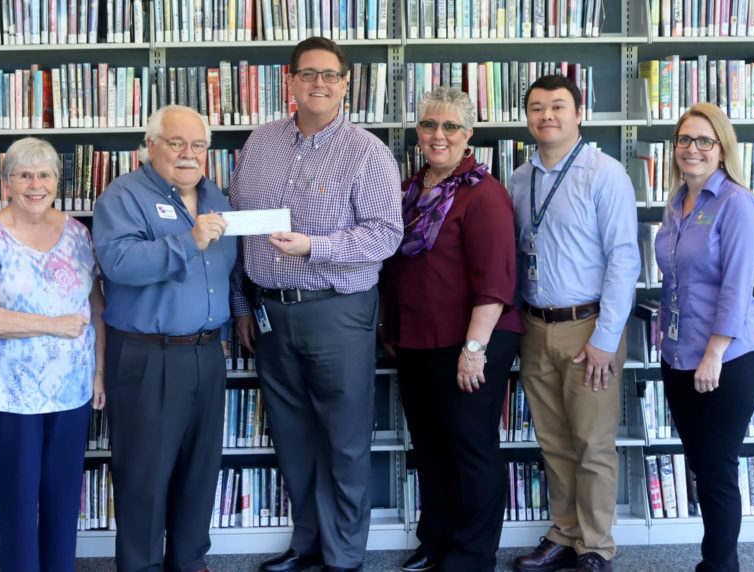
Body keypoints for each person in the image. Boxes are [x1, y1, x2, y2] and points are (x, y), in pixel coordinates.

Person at [230, 37, 403, 572]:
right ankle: (307, 546)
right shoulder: (259, 144)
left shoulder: (368, 151)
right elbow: (240, 232)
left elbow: (385, 236)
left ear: (346, 83)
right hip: (270, 313)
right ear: (290, 80)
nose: (319, 84)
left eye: (330, 75)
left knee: (344, 440)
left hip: (338, 310)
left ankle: (344, 556)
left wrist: (315, 246)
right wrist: (241, 303)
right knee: (292, 435)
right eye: (308, 74)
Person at [380, 86, 522, 572]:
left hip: (471, 341)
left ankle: (473, 553)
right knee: (431, 448)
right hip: (418, 339)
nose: (438, 135)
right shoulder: (410, 188)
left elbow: (497, 282)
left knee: (470, 447)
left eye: (450, 126)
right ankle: (436, 539)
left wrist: (474, 349)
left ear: (469, 134)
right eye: (429, 125)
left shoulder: (485, 195)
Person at [93, 104, 236, 572]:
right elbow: (119, 263)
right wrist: (186, 242)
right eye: (176, 143)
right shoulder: (123, 196)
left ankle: (190, 562)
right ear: (150, 145)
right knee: (145, 478)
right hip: (148, 356)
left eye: (198, 145)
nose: (188, 154)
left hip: (207, 352)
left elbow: (226, 271)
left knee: (200, 472)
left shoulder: (217, 196)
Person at [509, 75, 639, 572]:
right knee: (554, 443)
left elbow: (624, 261)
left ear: (579, 112)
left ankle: (596, 547)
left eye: (558, 106)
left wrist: (606, 339)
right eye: (537, 107)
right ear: (527, 117)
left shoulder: (605, 174)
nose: (547, 116)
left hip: (589, 328)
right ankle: (564, 535)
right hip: (535, 327)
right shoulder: (520, 179)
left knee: (592, 446)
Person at [0, 137, 106, 571]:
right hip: (13, 393)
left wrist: (97, 372)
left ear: (57, 183)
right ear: (7, 183)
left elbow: (96, 306)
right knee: (20, 497)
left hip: (73, 387)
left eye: (44, 175)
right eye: (24, 175)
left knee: (63, 494)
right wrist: (55, 325)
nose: (35, 184)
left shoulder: (79, 234)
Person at [654, 103, 754, 571]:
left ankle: (720, 566)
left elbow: (738, 287)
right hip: (679, 353)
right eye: (684, 140)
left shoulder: (737, 203)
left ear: (722, 149)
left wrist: (713, 353)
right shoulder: (677, 202)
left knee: (717, 472)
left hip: (727, 357)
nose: (692, 149)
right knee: (701, 466)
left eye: (704, 141)